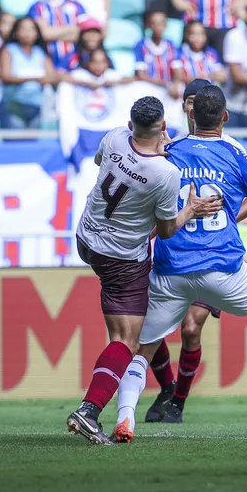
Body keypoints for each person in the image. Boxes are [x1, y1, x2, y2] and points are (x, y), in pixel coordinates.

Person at [111, 86, 247, 443]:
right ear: (225, 117)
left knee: (142, 350)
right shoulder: (235, 154)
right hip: (222, 267)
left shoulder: (170, 152)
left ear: (190, 115)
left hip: (170, 271)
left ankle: (125, 418)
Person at [64, 97, 222, 444]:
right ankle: (90, 411)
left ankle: (166, 386)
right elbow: (166, 230)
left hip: (87, 238)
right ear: (163, 127)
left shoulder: (115, 137)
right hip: (120, 257)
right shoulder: (165, 173)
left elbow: (100, 163)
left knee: (149, 312)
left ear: (132, 122)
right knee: (126, 340)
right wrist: (192, 210)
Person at [0, 16, 54, 129]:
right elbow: (5, 77)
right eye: (23, 28)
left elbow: (51, 76)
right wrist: (33, 78)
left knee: (32, 145)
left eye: (31, 29)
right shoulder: (9, 50)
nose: (27, 32)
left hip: (35, 106)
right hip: (14, 107)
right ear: (16, 32)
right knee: (16, 144)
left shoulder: (40, 53)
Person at [29, 0, 86, 71]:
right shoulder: (37, 7)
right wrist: (72, 29)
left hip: (75, 64)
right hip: (46, 64)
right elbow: (45, 34)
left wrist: (52, 32)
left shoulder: (76, 5)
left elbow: (83, 34)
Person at [133, 9, 182, 90]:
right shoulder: (141, 45)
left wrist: (175, 86)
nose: (158, 27)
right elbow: (141, 75)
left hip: (168, 87)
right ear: (148, 25)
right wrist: (161, 83)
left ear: (166, 25)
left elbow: (178, 72)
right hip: (149, 85)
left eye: (161, 23)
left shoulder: (171, 45)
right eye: (154, 23)